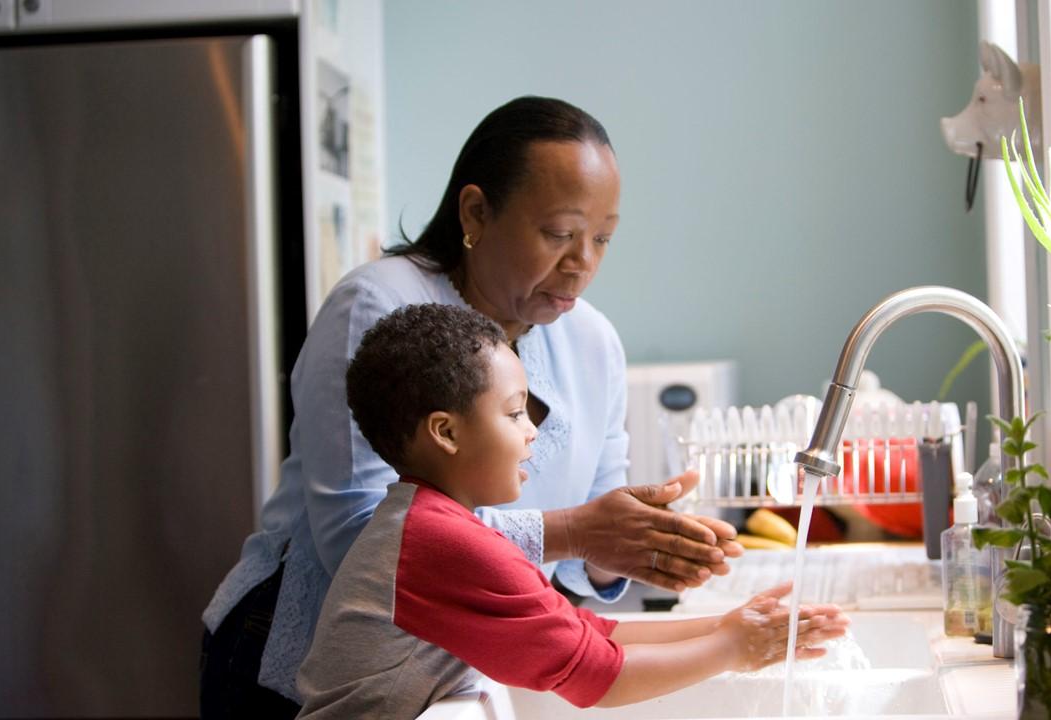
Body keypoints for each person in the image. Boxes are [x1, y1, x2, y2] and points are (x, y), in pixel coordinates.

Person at [200, 96, 743, 717]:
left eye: (602, 239)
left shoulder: (594, 341)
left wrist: (634, 545)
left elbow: (580, 559)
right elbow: (362, 539)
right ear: (477, 212)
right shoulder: (379, 306)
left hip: (442, 682)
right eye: (559, 234)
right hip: (293, 670)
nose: (582, 263)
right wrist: (572, 531)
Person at [296, 303, 849, 717]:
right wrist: (734, 648)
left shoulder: (434, 524)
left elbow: (587, 630)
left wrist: (728, 625)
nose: (533, 431)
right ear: (446, 432)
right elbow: (595, 676)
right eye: (514, 414)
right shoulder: (437, 542)